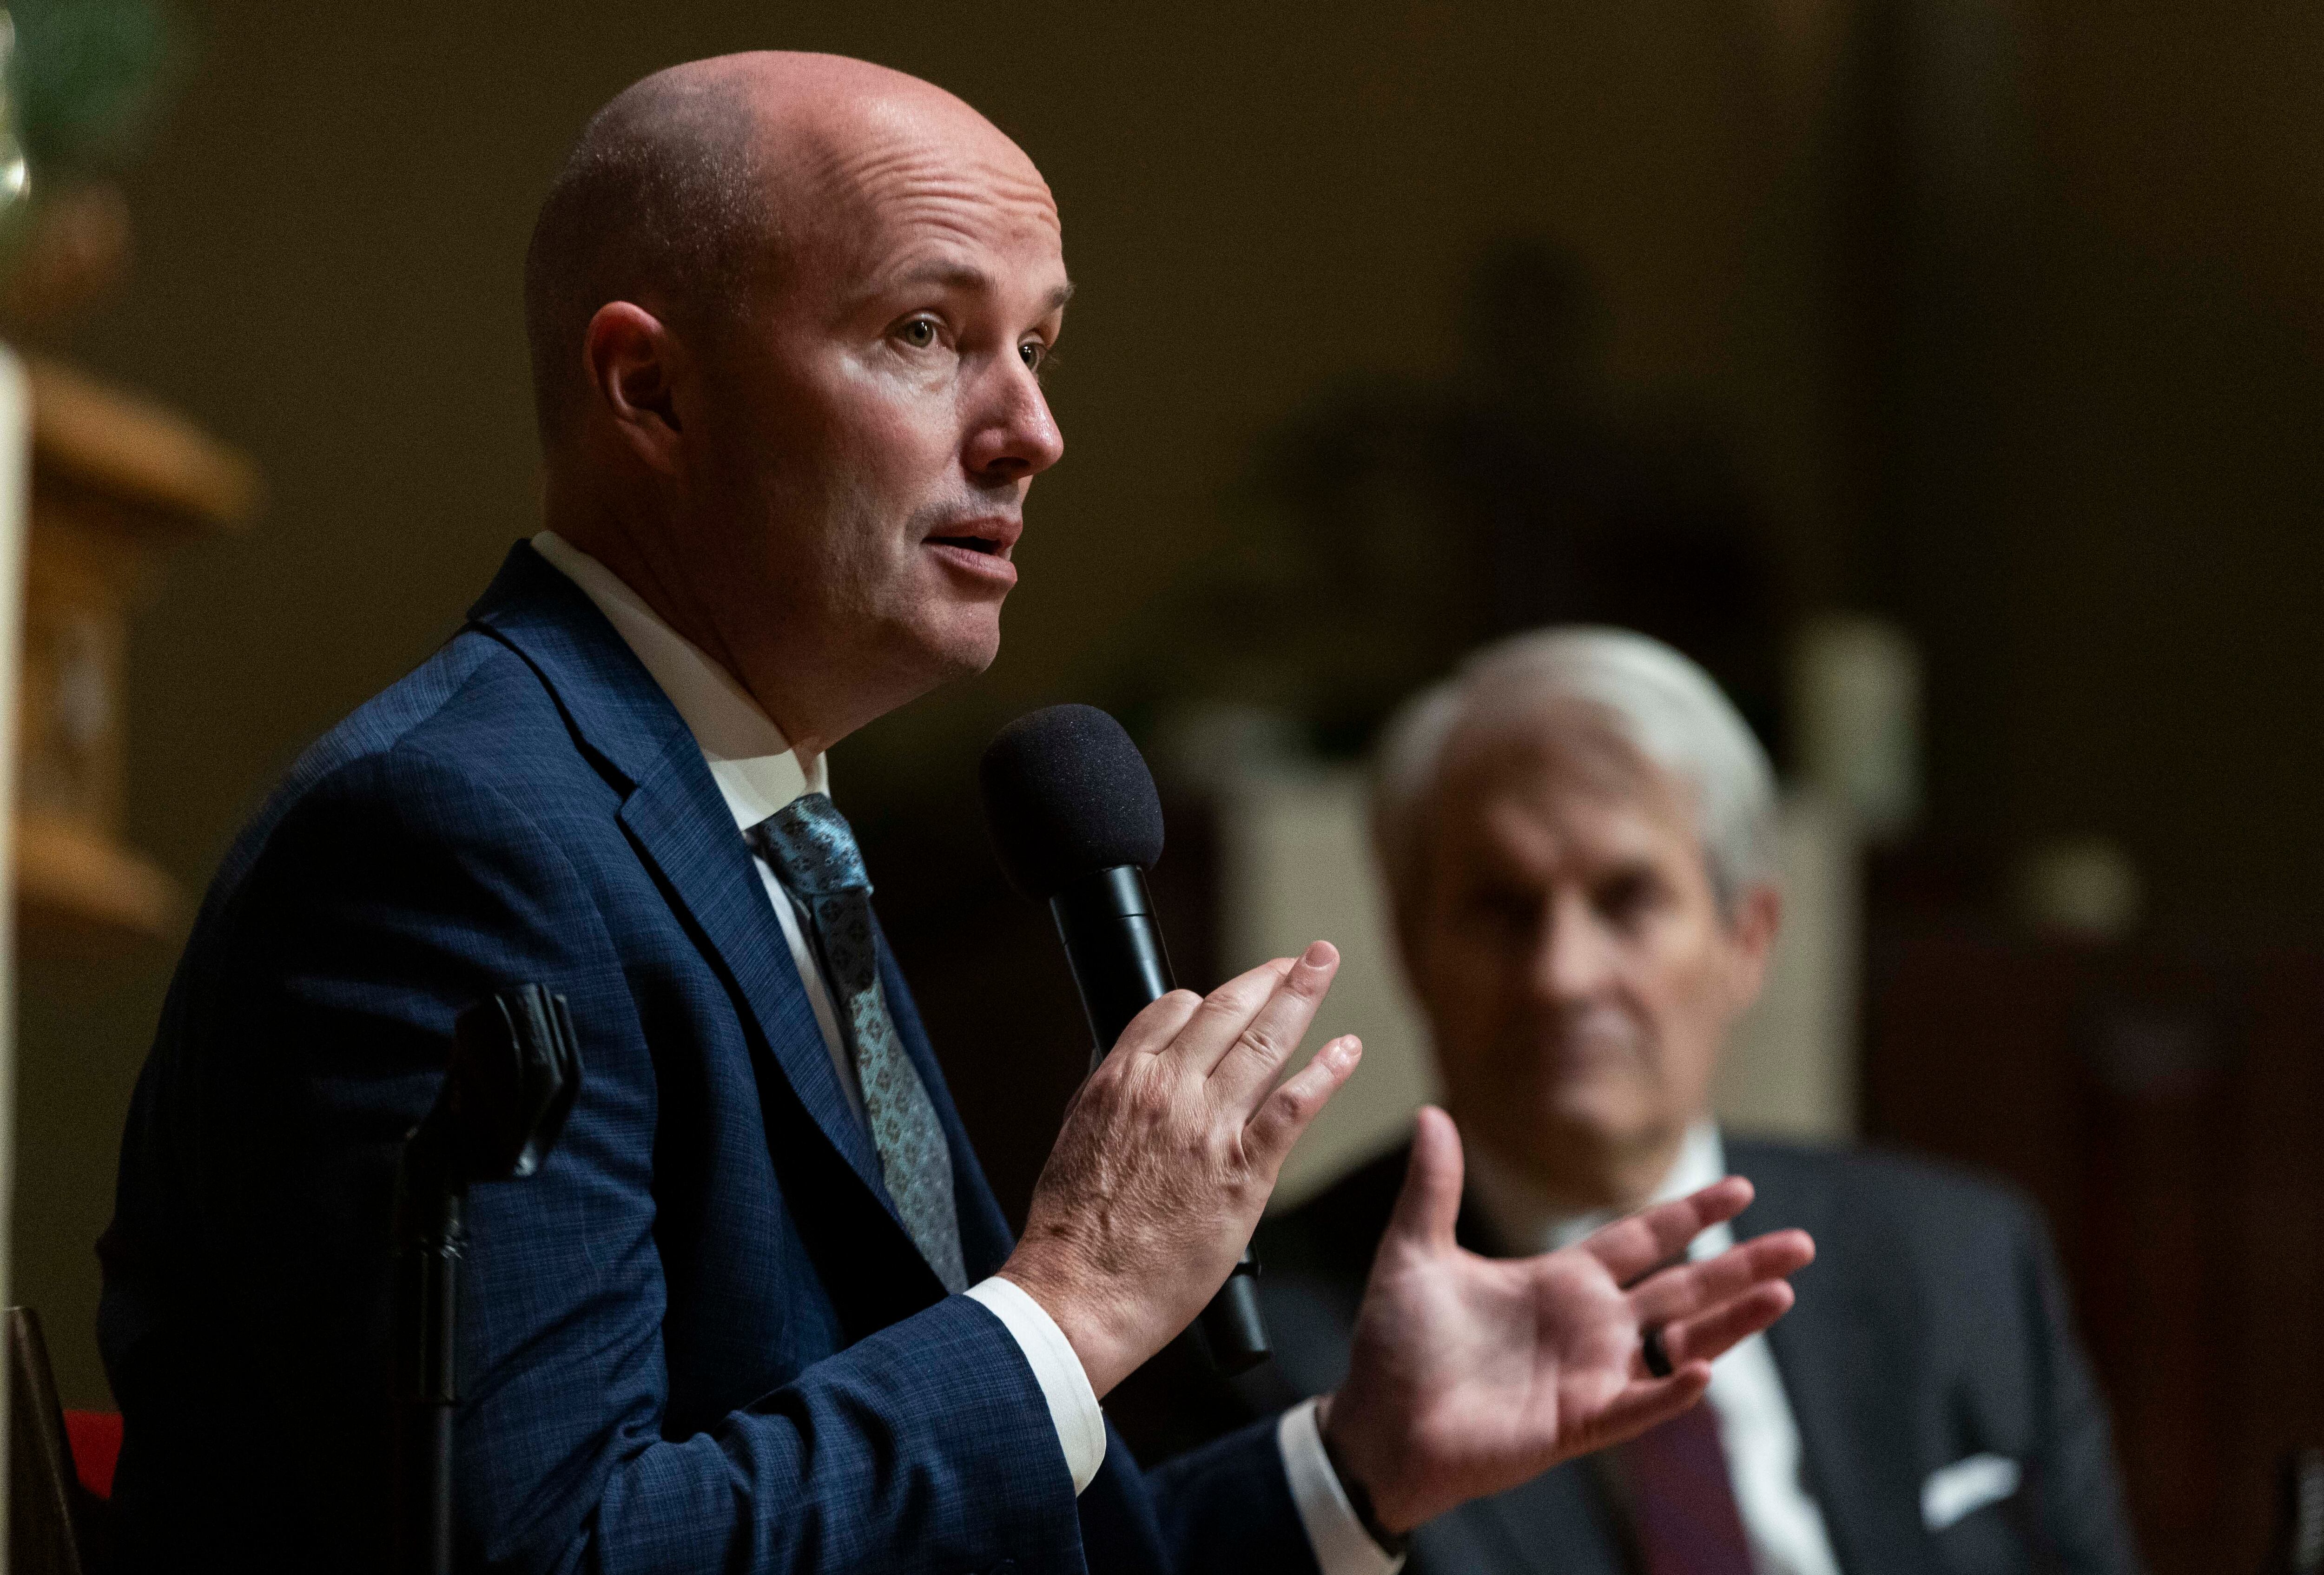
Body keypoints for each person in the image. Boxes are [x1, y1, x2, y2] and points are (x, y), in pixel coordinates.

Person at [93, 55, 1815, 1575]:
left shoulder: (772, 827)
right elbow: (557, 1549)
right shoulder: (456, 842)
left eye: (1040, 344)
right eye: (926, 332)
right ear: (652, 394)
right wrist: (1062, 1314)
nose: (1035, 432)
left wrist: (1364, 1465)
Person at [1252, 626, 2142, 1574]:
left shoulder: (1961, 1261)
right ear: (1409, 950)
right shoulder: (1269, 1340)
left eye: (1626, 900)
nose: (1562, 976)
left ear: (1747, 937)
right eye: (1501, 910)